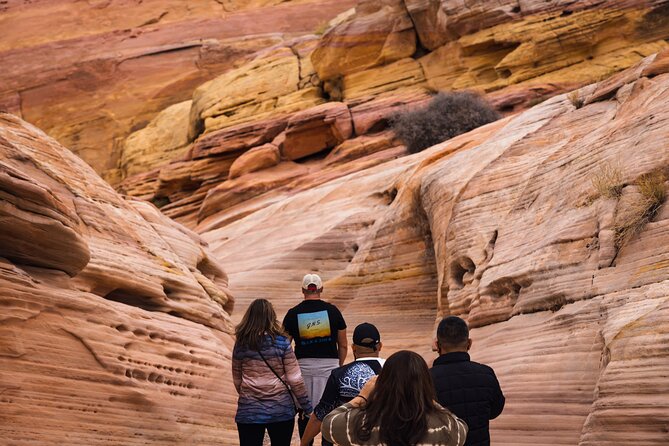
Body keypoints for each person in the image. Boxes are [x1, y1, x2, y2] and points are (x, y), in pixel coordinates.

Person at [322, 350, 468, 446]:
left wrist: (362, 396)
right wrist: (427, 397)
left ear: (384, 383)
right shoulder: (445, 425)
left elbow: (328, 424)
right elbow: (462, 429)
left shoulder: (364, 423)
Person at [232, 298, 313, 446]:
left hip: (249, 410)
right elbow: (295, 379)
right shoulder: (282, 342)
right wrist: (306, 406)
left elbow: (237, 379)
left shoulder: (241, 344)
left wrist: (251, 396)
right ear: (271, 317)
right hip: (280, 409)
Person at [282, 273, 347, 445]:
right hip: (330, 368)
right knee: (329, 413)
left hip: (303, 368)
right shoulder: (333, 312)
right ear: (321, 289)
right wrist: (337, 368)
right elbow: (343, 345)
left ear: (303, 290)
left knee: (305, 413)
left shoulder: (292, 314)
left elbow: (285, 347)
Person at [300, 322, 385, 446]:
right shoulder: (394, 370)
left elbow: (320, 414)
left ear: (353, 348)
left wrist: (304, 442)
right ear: (380, 346)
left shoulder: (339, 374)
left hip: (350, 439)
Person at [430, 316, 505, 446]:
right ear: (469, 343)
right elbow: (495, 410)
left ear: (437, 345)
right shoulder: (486, 373)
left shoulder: (426, 378)